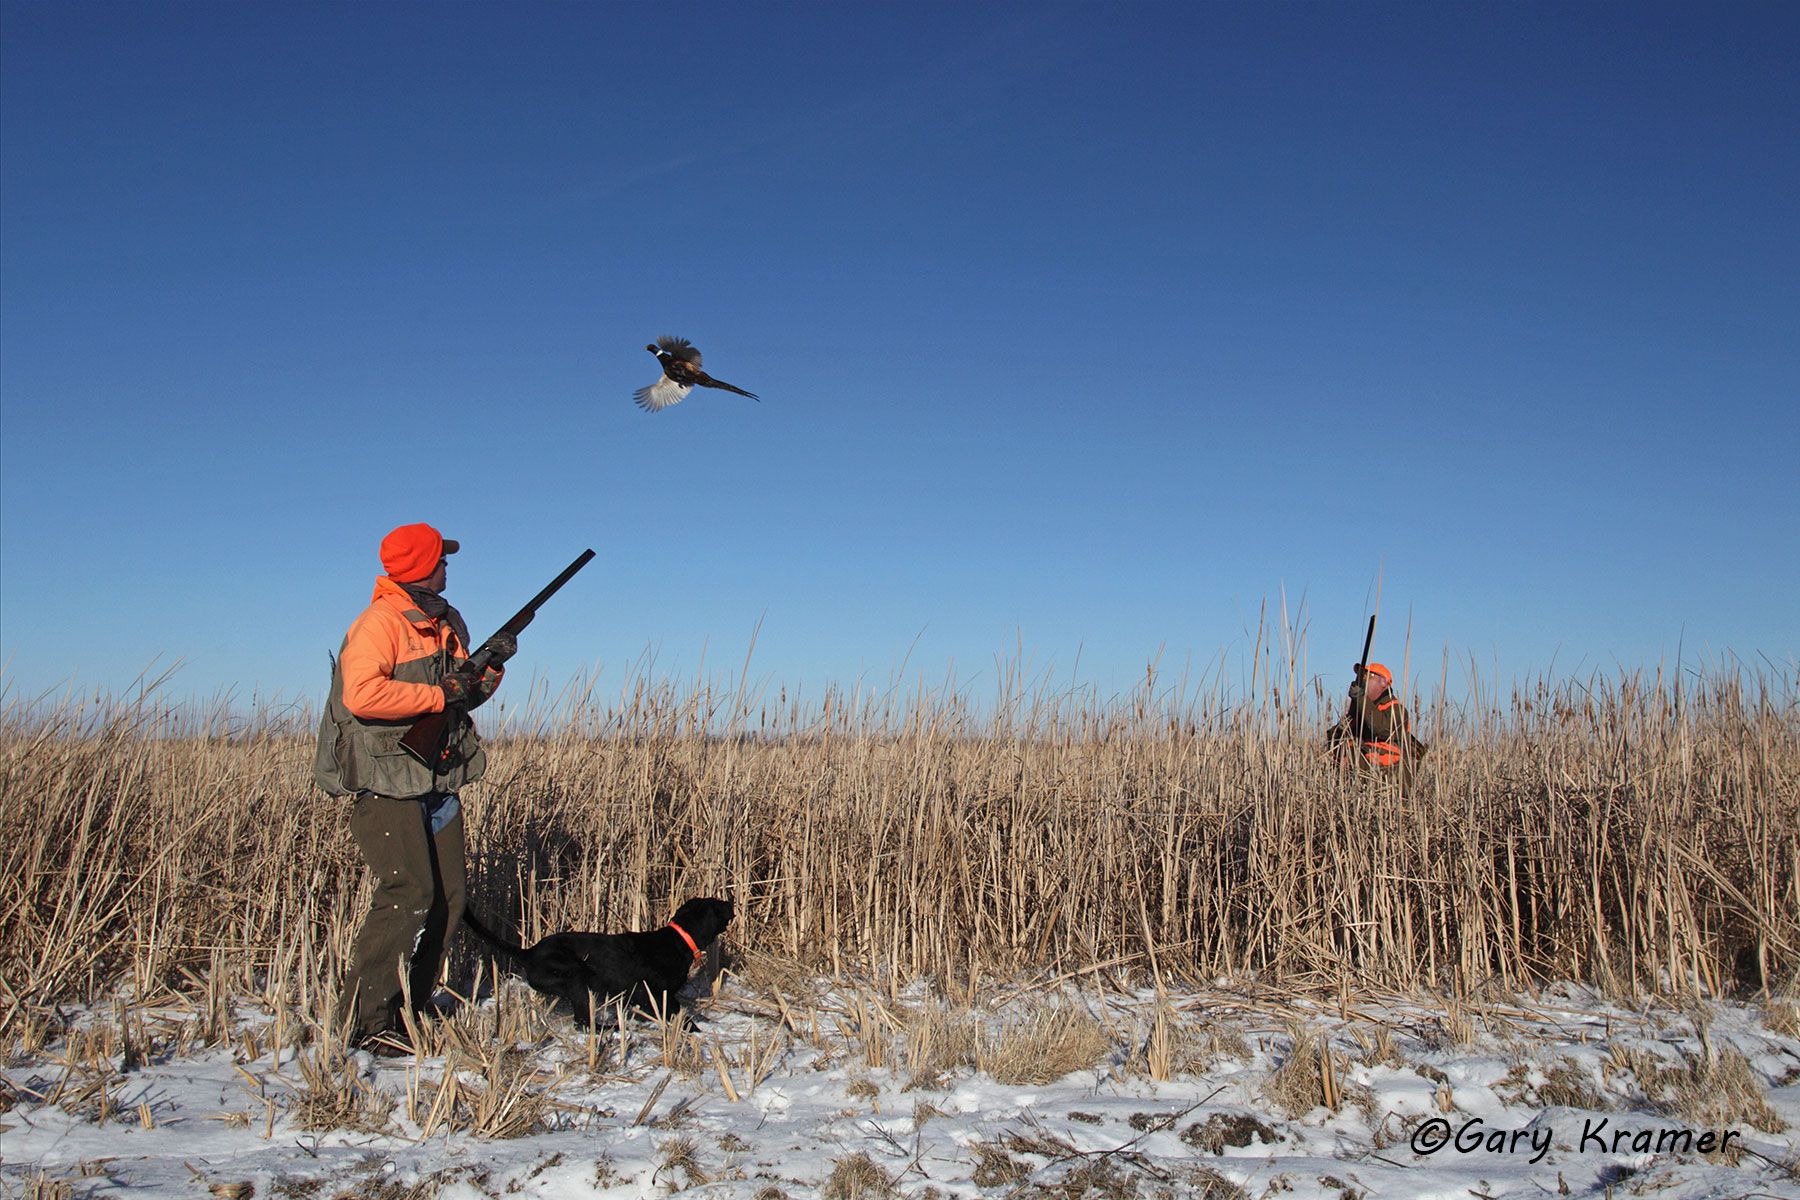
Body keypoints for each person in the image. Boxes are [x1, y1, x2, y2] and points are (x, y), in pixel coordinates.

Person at [314, 523, 515, 1052]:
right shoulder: (380, 623)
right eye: (441, 558)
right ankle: (365, 1020)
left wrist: (489, 669)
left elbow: (460, 698)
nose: (448, 565)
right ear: (422, 565)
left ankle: (411, 1008)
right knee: (408, 894)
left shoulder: (445, 622)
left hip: (438, 779)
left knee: (450, 897)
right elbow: (362, 695)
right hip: (387, 782)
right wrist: (436, 692)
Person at [1325, 662, 1427, 789]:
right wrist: (1344, 725)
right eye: (1360, 678)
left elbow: (1381, 729)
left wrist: (1361, 699)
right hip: (1360, 791)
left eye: (1367, 677)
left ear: (1383, 682)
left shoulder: (1396, 710)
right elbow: (1332, 742)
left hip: (1388, 789)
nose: (1361, 682)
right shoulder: (1361, 711)